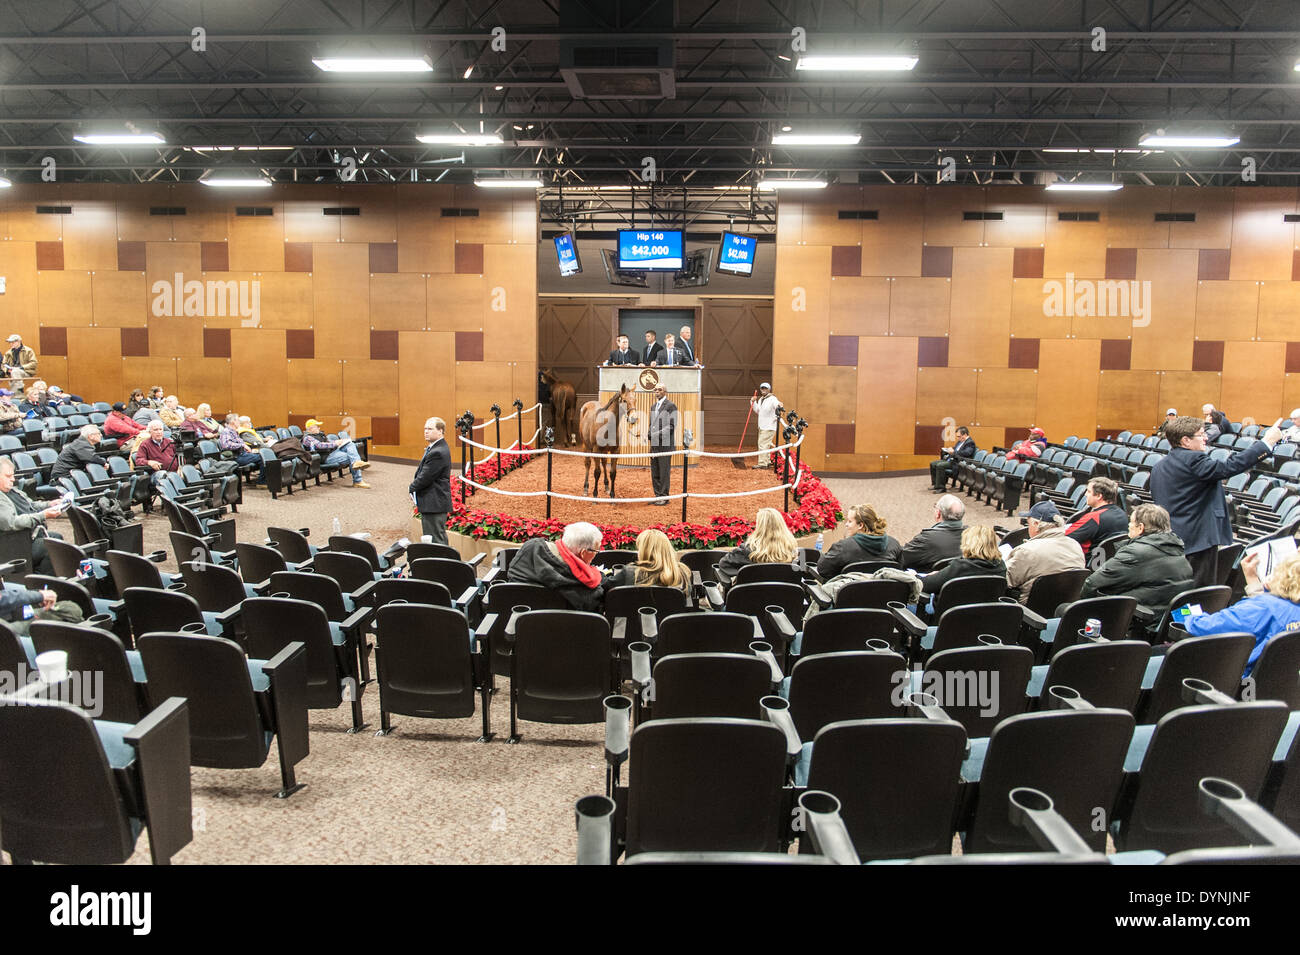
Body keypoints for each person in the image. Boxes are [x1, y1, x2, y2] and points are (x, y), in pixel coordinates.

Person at [1150, 415, 1281, 586]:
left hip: (1172, 538)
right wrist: (1266, 442)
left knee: (1180, 588)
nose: (1206, 438)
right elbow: (1229, 467)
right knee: (1198, 590)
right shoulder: (1194, 460)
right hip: (1198, 540)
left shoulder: (1160, 465)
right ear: (1186, 441)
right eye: (1201, 434)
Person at [1184, 551, 1300, 674]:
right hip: (1272, 686)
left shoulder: (1261, 607)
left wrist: (1189, 615)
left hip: (1234, 682)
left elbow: (1204, 627)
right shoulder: (1276, 607)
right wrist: (1253, 580)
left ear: (1285, 578)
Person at [1079, 503, 1193, 614]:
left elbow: (1092, 584)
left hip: (1134, 621)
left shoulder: (1134, 553)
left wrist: (1081, 610)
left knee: (1064, 609)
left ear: (1140, 528)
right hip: (1165, 620)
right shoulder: (1178, 548)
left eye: (1131, 522)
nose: (1128, 525)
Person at [506, 521, 609, 612]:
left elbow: (511, 574)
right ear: (583, 553)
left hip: (521, 625)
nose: (597, 554)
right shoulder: (588, 591)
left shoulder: (530, 547)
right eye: (596, 550)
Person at [1004, 500, 1086, 605]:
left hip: (1029, 611)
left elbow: (1004, 580)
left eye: (1028, 524)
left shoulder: (1027, 551)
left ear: (1036, 524)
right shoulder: (1075, 545)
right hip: (1065, 607)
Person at [0, 458, 66, 575]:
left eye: (13, 475)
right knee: (52, 548)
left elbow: (31, 505)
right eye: (8, 476)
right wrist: (43, 516)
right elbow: (12, 523)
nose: (13, 479)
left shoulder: (12, 491)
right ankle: (39, 584)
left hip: (26, 537)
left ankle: (46, 578)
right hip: (12, 545)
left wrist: (49, 504)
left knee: (57, 537)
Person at [816, 503, 901, 578]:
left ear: (860, 525)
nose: (846, 525)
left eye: (849, 521)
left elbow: (822, 569)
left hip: (851, 595)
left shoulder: (843, 547)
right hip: (886, 595)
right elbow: (900, 569)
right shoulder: (894, 544)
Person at [717, 507, 797, 583]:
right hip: (785, 596)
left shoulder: (748, 550)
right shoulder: (795, 550)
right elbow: (801, 573)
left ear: (760, 527)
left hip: (751, 596)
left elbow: (723, 564)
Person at [920, 526, 1007, 596]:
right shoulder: (1001, 566)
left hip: (949, 615)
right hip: (987, 614)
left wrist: (918, 576)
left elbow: (925, 585)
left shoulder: (960, 567)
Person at [607, 528, 692, 595]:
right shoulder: (682, 572)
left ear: (644, 550)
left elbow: (606, 588)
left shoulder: (630, 573)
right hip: (670, 616)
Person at [410, 416, 451, 544]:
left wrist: (411, 488)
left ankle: (443, 563)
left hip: (434, 503)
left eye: (430, 429)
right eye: (425, 429)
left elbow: (425, 477)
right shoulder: (436, 448)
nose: (426, 431)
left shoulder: (437, 451)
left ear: (440, 431)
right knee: (435, 538)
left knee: (436, 540)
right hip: (433, 502)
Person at [1063, 477, 1128, 557]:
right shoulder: (1123, 514)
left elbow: (1063, 538)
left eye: (1088, 491)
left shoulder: (1094, 518)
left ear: (1098, 496)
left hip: (1083, 564)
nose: (1085, 494)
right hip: (1107, 563)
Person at [901, 494, 966, 572]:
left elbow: (902, 558)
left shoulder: (926, 538)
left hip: (931, 582)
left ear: (938, 513)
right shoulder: (973, 536)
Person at [301, 418, 371, 488]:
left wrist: (339, 442)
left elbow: (328, 442)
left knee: (350, 444)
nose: (319, 428)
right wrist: (335, 443)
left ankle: (357, 463)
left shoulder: (320, 434)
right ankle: (358, 481)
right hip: (326, 457)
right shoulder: (307, 438)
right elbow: (319, 445)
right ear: (311, 429)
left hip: (333, 452)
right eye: (317, 427)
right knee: (352, 457)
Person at [647, 383, 676, 505]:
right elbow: (652, 425)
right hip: (654, 446)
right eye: (655, 389)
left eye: (660, 389)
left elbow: (671, 427)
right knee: (655, 472)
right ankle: (657, 496)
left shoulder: (671, 406)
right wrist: (648, 434)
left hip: (665, 446)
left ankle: (664, 497)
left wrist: (654, 435)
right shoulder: (653, 407)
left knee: (664, 472)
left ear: (665, 392)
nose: (657, 391)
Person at [218, 413, 264, 484]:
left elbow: (241, 443)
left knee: (261, 454)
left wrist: (245, 447)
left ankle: (262, 479)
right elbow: (226, 445)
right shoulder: (226, 431)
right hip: (235, 457)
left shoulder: (234, 431)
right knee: (261, 457)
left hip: (242, 454)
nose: (239, 422)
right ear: (233, 422)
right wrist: (242, 446)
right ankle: (261, 482)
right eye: (238, 421)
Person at [929, 426, 976, 492]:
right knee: (933, 464)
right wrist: (950, 449)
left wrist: (954, 452)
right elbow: (957, 448)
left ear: (965, 435)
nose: (958, 438)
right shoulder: (960, 441)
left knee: (940, 465)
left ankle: (941, 488)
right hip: (952, 459)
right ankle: (936, 484)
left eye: (959, 436)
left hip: (958, 463)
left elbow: (966, 453)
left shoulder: (970, 443)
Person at [750, 382, 781, 469]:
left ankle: (762, 463)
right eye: (762, 388)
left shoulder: (772, 398)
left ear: (769, 389)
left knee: (762, 444)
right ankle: (766, 461)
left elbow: (777, 404)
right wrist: (753, 402)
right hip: (762, 426)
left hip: (769, 426)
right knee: (765, 444)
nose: (763, 390)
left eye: (765, 388)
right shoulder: (761, 399)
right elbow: (758, 411)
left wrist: (779, 405)